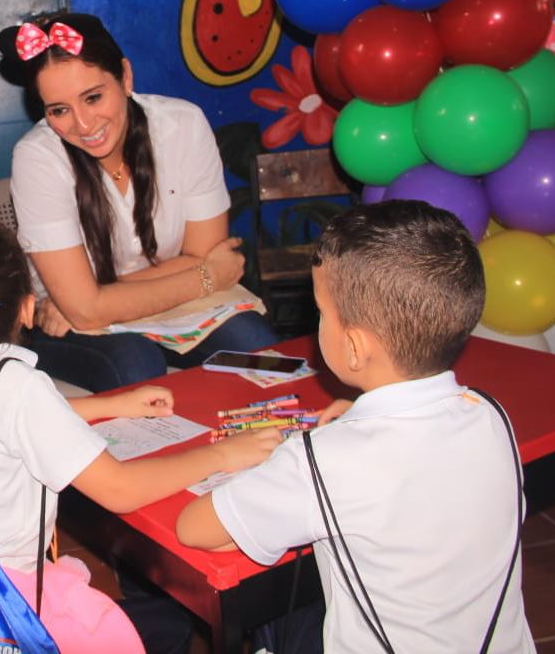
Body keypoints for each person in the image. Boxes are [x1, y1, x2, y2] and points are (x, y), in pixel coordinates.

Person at [0, 214, 282, 653]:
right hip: (2, 614)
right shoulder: (20, 386)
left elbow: (1, 419)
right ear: (27, 309)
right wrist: (223, 454)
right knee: (155, 630)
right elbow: (121, 490)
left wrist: (111, 405)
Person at [176, 200, 536, 653]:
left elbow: (195, 528)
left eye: (321, 312)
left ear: (353, 346)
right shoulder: (490, 414)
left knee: (271, 620)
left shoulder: (321, 461)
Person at [0, 12, 280, 391]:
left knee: (256, 346)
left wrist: (93, 298)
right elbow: (86, 311)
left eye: (93, 97)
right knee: (137, 366)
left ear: (126, 77)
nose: (83, 124)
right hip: (63, 322)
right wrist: (207, 277)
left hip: (170, 307)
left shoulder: (183, 126)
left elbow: (201, 253)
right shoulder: (37, 158)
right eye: (59, 110)